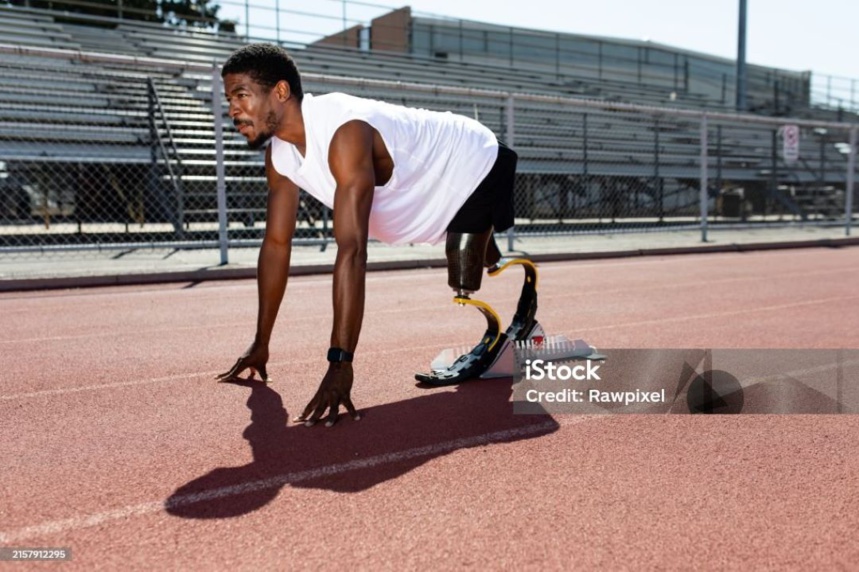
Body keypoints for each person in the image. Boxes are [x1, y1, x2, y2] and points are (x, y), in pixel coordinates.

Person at [215, 43, 539, 427]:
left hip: (473, 163)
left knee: (465, 274)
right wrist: (261, 342)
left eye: (241, 95)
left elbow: (352, 251)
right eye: (228, 98)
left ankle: (522, 309)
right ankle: (495, 260)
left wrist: (340, 362)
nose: (232, 109)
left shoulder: (344, 131)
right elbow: (276, 245)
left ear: (280, 92)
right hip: (423, 203)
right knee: (472, 256)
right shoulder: (280, 155)